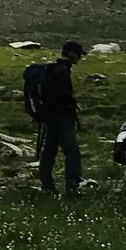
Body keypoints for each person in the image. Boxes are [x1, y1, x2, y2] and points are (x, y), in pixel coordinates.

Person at [34, 41, 87, 195]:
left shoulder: (52, 69)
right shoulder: (63, 71)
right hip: (62, 117)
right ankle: (72, 186)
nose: (79, 58)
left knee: (49, 150)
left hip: (50, 116)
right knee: (71, 151)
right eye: (78, 54)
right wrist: (73, 105)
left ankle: (47, 184)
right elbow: (64, 94)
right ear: (70, 54)